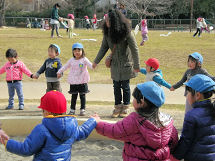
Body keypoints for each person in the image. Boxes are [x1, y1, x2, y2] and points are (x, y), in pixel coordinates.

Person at [3, 90, 98, 160]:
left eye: (42, 110)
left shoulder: (41, 129)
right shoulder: (72, 127)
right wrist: (93, 120)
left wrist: (8, 143)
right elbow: (83, 131)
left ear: (47, 112)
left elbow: (26, 149)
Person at [94, 81, 178, 160]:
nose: (132, 100)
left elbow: (115, 131)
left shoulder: (135, 121)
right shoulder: (167, 122)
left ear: (141, 102)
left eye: (134, 98)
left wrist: (98, 123)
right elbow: (174, 141)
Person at [92, 9, 140, 118]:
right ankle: (118, 107)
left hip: (126, 64)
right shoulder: (107, 33)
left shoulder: (126, 32)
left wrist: (136, 65)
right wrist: (96, 61)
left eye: (108, 20)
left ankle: (126, 107)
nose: (106, 22)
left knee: (125, 86)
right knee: (116, 86)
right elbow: (103, 48)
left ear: (115, 21)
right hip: (115, 65)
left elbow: (135, 49)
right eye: (106, 20)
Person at [173, 74, 215, 160]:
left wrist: (175, 157)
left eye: (188, 92)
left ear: (197, 95)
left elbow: (185, 141)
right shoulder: (212, 109)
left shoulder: (192, 115)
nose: (186, 96)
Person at [57, 43, 93, 116]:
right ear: (73, 52)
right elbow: (65, 66)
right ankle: (72, 110)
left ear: (82, 51)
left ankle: (82, 109)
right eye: (75, 50)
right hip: (73, 82)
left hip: (82, 81)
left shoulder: (84, 59)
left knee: (82, 96)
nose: (77, 52)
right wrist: (59, 72)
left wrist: (95, 65)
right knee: (74, 96)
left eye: (79, 50)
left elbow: (91, 66)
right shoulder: (71, 60)